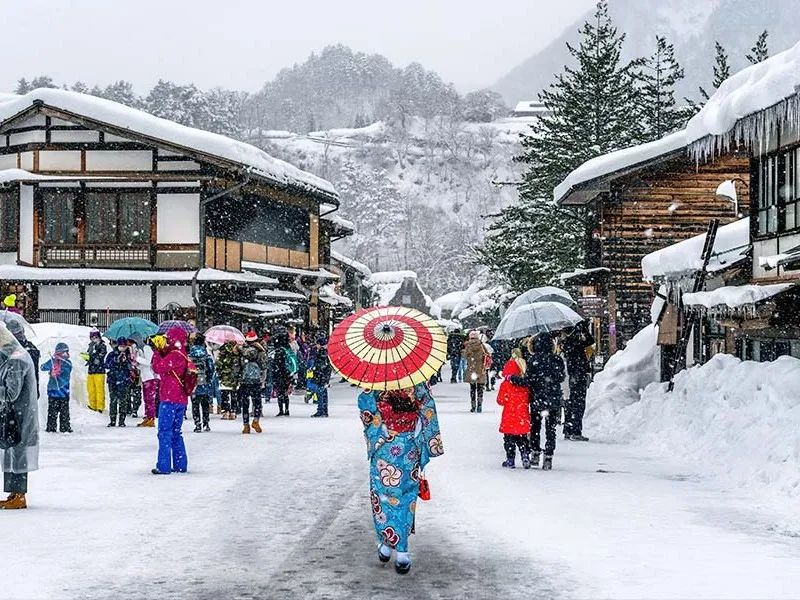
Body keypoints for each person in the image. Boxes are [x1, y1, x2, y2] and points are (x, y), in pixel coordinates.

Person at [358, 383, 444, 574]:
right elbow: (428, 405)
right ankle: (402, 550)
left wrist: (381, 425)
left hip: (386, 446)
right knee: (406, 496)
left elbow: (364, 403)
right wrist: (418, 425)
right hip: (409, 446)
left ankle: (388, 543)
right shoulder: (416, 377)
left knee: (383, 496)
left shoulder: (375, 381)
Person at [510, 333, 565, 470]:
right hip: (553, 399)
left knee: (535, 427)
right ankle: (549, 456)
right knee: (551, 429)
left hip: (537, 399)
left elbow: (528, 381)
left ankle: (535, 452)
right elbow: (561, 377)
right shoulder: (557, 359)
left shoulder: (534, 360)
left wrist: (515, 379)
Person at [0, 323, 38, 510]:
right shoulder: (13, 356)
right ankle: (14, 493)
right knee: (12, 451)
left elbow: (11, 393)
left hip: (19, 415)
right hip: (15, 415)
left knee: (18, 452)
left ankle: (19, 495)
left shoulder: (16, 359)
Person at [150, 328, 189, 475]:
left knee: (164, 432)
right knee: (176, 432)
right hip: (182, 398)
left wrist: (156, 353)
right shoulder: (183, 354)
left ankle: (164, 465)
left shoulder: (173, 355)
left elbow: (158, 368)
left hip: (169, 397)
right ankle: (180, 464)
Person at [496, 348, 531, 468]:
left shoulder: (505, 384)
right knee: (522, 439)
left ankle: (510, 460)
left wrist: (508, 401)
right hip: (522, 415)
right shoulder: (524, 385)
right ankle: (525, 456)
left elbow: (500, 401)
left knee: (509, 440)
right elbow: (529, 399)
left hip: (509, 417)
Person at [561, 321, 595, 442]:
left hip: (573, 375)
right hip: (578, 374)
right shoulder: (573, 342)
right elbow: (590, 342)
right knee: (578, 403)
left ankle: (568, 429)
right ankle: (575, 430)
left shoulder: (567, 343)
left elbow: (590, 342)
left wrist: (582, 330)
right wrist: (582, 330)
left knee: (571, 402)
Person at [238, 331, 268, 433]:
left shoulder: (242, 350)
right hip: (256, 380)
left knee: (245, 403)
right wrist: (262, 379)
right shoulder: (261, 351)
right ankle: (256, 420)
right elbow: (264, 366)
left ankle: (246, 425)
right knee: (257, 402)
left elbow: (239, 366)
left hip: (245, 380)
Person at [41, 342, 73, 433]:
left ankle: (65, 427)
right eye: (63, 353)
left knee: (64, 411)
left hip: (63, 391)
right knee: (52, 411)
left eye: (66, 352)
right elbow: (42, 367)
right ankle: (51, 427)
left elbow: (67, 373)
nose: (65, 354)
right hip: (53, 391)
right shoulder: (53, 361)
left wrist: (58, 373)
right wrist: (51, 367)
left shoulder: (67, 363)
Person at [104, 337, 136, 427]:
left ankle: (122, 420)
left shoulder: (129, 355)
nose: (122, 348)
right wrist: (116, 360)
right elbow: (106, 365)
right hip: (113, 380)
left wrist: (127, 362)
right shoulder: (112, 354)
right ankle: (112, 420)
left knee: (123, 401)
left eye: (124, 346)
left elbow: (132, 366)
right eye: (121, 346)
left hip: (124, 380)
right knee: (113, 400)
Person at [188, 333, 215, 433]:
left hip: (193, 383)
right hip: (204, 383)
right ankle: (206, 423)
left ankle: (197, 424)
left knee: (195, 405)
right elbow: (211, 369)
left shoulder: (190, 355)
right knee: (205, 404)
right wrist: (209, 381)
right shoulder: (206, 355)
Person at [6, 319, 40, 397]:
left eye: (20, 332)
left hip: (22, 393)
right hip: (26, 391)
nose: (20, 334)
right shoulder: (29, 347)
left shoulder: (28, 349)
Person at [270, 327, 296, 417]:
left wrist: (275, 371)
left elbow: (277, 363)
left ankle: (281, 410)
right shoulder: (288, 348)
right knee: (285, 393)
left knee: (280, 393)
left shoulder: (279, 350)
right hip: (288, 373)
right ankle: (287, 409)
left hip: (280, 374)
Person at [461, 330, 488, 413]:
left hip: (471, 369)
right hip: (480, 369)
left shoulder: (468, 345)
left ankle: (473, 406)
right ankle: (480, 406)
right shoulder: (481, 344)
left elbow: (465, 356)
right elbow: (487, 354)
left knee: (472, 388)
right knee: (480, 388)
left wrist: (463, 351)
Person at [136, 338, 159, 427]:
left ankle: (151, 418)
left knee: (150, 399)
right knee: (146, 399)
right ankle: (148, 416)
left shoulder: (146, 348)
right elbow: (143, 365)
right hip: (145, 377)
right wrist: (137, 365)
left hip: (151, 377)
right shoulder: (140, 350)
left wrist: (137, 359)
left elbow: (149, 362)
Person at [83, 329, 107, 413]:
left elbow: (100, 356)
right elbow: (89, 355)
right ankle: (92, 405)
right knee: (91, 389)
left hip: (99, 371)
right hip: (91, 370)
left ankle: (100, 406)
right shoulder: (90, 346)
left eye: (96, 337)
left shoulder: (102, 346)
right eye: (92, 337)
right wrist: (86, 357)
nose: (94, 339)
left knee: (99, 389)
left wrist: (93, 357)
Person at [216, 340, 240, 420]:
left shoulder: (222, 350)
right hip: (234, 376)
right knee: (234, 394)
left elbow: (218, 364)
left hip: (224, 376)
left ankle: (226, 412)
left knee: (224, 394)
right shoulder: (237, 350)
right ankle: (233, 412)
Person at [309, 335, 332, 418]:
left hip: (320, 376)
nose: (316, 345)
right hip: (324, 376)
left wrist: (315, 368)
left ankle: (321, 410)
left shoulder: (321, 353)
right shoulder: (326, 352)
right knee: (323, 393)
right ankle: (324, 410)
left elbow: (321, 365)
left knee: (320, 393)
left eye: (317, 344)